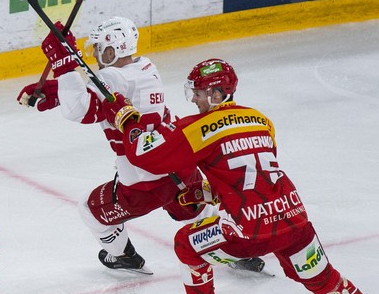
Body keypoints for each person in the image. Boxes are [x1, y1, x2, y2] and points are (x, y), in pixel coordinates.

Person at [101, 58, 379, 294]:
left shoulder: (198, 127)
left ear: (217, 94)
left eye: (199, 93)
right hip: (294, 219)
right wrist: (208, 193)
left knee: (186, 243)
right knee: (322, 278)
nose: (194, 100)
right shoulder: (262, 120)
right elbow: (250, 175)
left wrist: (127, 120)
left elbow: (150, 158)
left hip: (249, 232)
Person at [18, 17, 264, 276]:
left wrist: (65, 65)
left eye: (100, 48)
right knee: (199, 210)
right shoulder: (145, 66)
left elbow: (80, 109)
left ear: (112, 50)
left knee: (89, 211)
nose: (96, 54)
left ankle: (124, 256)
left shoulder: (111, 75)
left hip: (143, 182)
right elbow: (103, 94)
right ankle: (239, 249)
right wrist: (57, 91)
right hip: (179, 164)